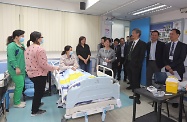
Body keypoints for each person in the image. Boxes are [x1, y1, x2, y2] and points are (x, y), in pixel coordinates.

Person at [25, 31, 59, 116]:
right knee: (39, 92)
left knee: (38, 90)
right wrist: (54, 68)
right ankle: (34, 111)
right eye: (41, 37)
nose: (42, 38)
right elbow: (43, 64)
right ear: (37, 39)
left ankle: (38, 103)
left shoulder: (28, 48)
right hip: (39, 74)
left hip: (31, 74)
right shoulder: (40, 49)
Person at [126, 28, 146, 104]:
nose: (132, 35)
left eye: (133, 33)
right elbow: (128, 54)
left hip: (136, 66)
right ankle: (134, 94)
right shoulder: (130, 43)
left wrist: (137, 65)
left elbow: (141, 56)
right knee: (131, 81)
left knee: (136, 81)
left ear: (138, 34)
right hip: (129, 65)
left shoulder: (142, 44)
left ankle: (137, 96)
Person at [6, 30, 26, 108]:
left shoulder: (21, 45)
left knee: (21, 85)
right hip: (15, 70)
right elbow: (11, 58)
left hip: (22, 68)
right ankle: (16, 103)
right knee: (20, 85)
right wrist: (16, 67)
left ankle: (17, 100)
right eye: (22, 36)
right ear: (16, 37)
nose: (23, 38)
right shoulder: (11, 46)